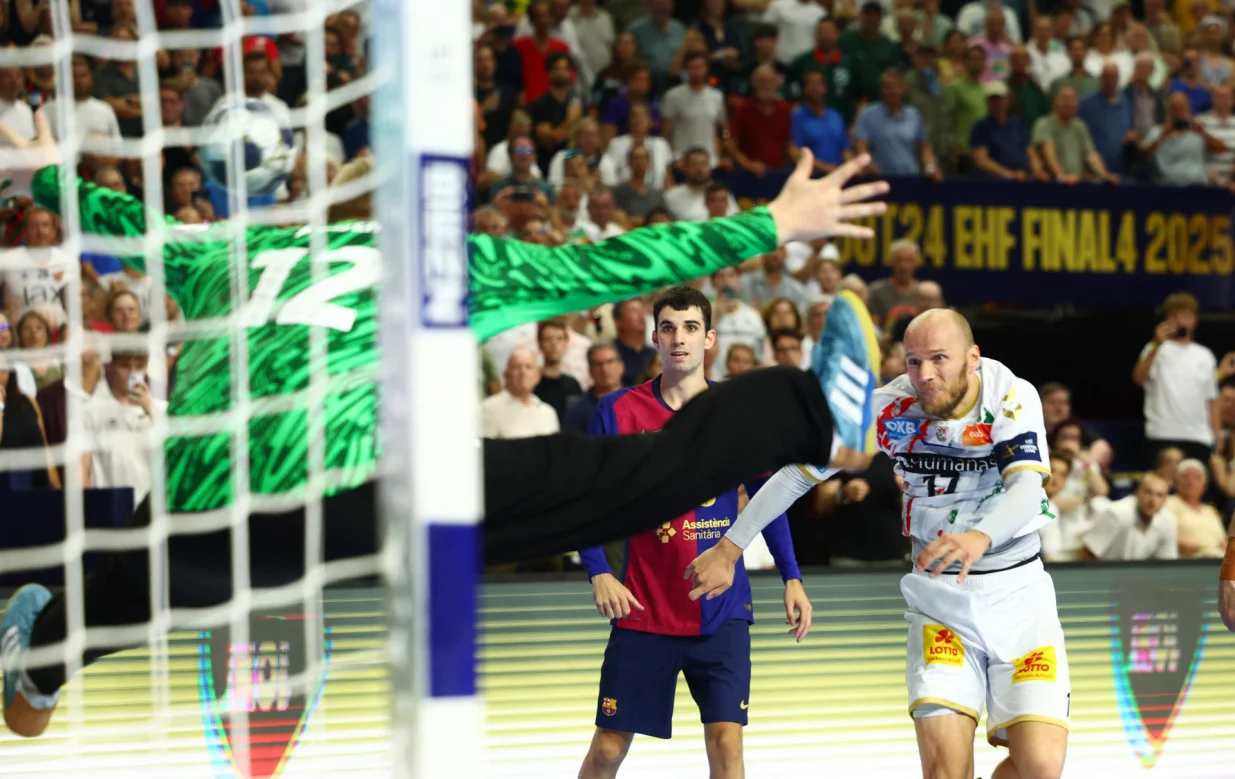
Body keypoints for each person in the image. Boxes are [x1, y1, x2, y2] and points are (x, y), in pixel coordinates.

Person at [0, 115, 889, 739]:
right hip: (359, 480)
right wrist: (776, 219)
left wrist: (43, 170)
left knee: (127, 586)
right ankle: (813, 406)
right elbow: (612, 263)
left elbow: (121, 223)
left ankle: (36, 665)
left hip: (213, 502)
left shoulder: (232, 251)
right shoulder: (442, 260)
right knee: (626, 474)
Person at [686, 308, 1070, 779]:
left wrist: (978, 537)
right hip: (940, 602)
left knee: (1041, 768)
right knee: (947, 773)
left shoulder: (1009, 394)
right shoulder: (886, 410)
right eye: (912, 361)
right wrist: (730, 548)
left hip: (1020, 596)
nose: (924, 375)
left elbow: (1028, 488)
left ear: (973, 358)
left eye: (938, 359)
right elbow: (796, 476)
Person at [577, 286, 810, 779]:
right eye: (667, 328)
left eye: (689, 328)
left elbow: (772, 497)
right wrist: (598, 571)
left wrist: (792, 576)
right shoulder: (617, 411)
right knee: (607, 750)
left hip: (721, 609)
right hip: (643, 608)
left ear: (709, 338)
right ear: (655, 337)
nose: (678, 338)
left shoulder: (740, 411)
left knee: (728, 748)